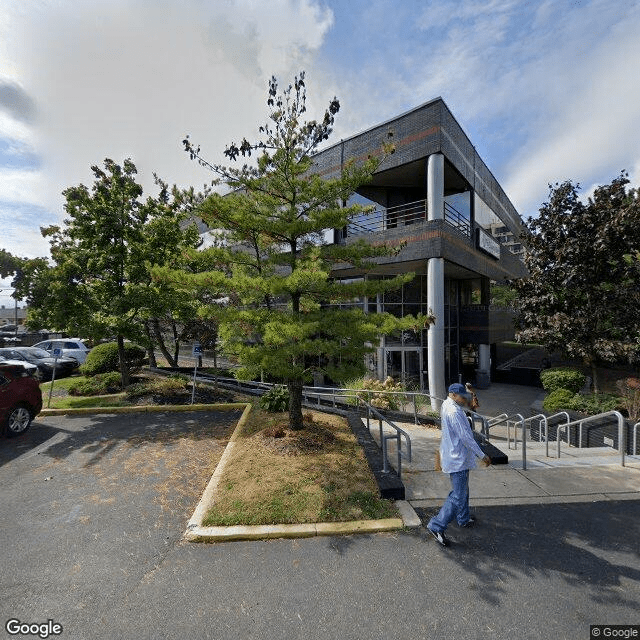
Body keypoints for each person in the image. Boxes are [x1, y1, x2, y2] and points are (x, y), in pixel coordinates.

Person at [427, 383, 491, 547]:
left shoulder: (447, 403)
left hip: (454, 454)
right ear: (453, 394)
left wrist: (470, 395)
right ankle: (437, 526)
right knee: (458, 495)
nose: (465, 399)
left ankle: (463, 518)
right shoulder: (454, 412)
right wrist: (482, 455)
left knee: (462, 490)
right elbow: (466, 438)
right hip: (457, 458)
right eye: (462, 396)